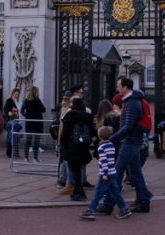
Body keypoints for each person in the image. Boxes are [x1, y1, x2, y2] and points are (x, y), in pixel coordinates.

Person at [98, 77, 152, 214]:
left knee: (115, 173)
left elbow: (128, 126)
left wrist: (111, 139)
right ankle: (144, 201)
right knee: (136, 174)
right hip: (132, 141)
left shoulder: (132, 103)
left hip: (130, 141)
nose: (117, 88)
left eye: (119, 86)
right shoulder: (131, 101)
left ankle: (108, 205)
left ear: (125, 87)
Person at [80, 126, 131, 220]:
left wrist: (105, 174)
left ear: (99, 136)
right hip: (113, 172)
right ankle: (124, 208)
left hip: (106, 174)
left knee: (98, 192)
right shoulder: (111, 145)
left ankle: (90, 210)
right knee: (115, 192)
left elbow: (104, 161)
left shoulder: (101, 148)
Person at [59, 95, 94, 202]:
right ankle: (78, 190)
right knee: (78, 168)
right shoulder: (87, 116)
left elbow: (65, 132)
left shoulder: (70, 116)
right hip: (83, 146)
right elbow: (92, 131)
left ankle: (78, 192)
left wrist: (62, 144)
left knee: (74, 169)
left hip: (71, 145)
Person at [20, 85, 46, 162]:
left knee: (28, 140)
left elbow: (22, 111)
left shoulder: (26, 100)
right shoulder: (38, 100)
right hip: (38, 122)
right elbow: (44, 109)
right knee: (36, 141)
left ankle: (26, 157)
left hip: (29, 122)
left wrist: (26, 116)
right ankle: (35, 158)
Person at [3, 87, 22, 158]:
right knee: (10, 136)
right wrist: (9, 112)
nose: (17, 95)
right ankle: (9, 152)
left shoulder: (18, 101)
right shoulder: (9, 100)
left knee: (17, 136)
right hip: (10, 121)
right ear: (12, 94)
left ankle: (16, 153)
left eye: (18, 94)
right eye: (15, 94)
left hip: (16, 121)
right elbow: (5, 108)